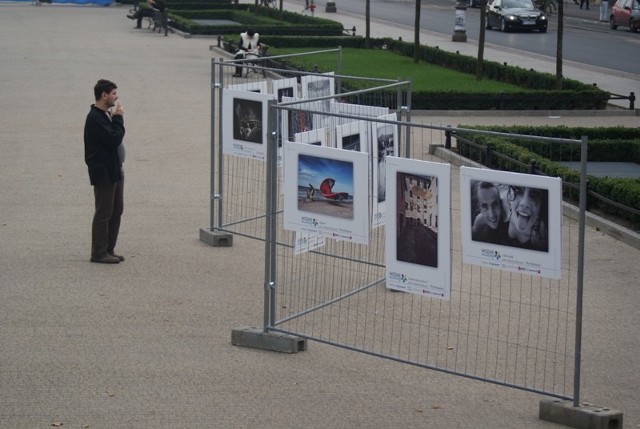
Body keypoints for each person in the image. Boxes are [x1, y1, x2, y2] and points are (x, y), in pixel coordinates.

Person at [84, 79, 126, 264]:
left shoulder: (104, 114)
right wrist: (118, 118)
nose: (116, 97)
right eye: (114, 94)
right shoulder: (95, 117)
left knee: (116, 210)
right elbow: (113, 139)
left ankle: (109, 248)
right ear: (104, 95)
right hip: (104, 172)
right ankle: (99, 252)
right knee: (104, 211)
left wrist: (114, 117)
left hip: (114, 168)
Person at [505, 185, 548, 252]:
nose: (524, 203)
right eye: (517, 190)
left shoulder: (545, 238)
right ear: (509, 195)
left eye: (534, 194)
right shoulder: (496, 218)